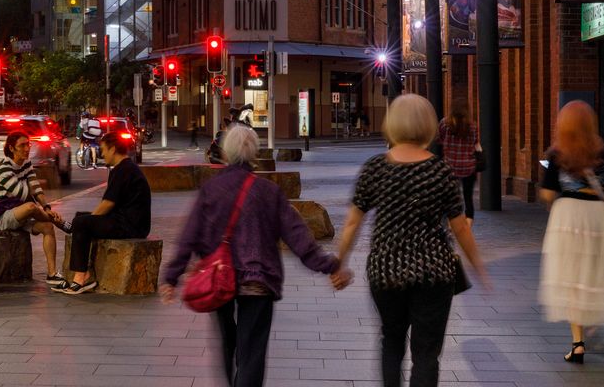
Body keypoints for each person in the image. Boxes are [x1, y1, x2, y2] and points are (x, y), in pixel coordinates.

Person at [161, 124, 348, 387]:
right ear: (254, 153)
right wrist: (329, 266)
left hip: (218, 277)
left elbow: (189, 236)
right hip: (258, 280)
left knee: (228, 340)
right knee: (252, 351)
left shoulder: (211, 190)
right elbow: (298, 237)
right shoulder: (268, 192)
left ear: (225, 153)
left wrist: (171, 277)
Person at [336, 93, 487, 387]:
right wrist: (478, 265)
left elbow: (353, 220)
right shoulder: (440, 171)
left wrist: (338, 263)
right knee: (427, 351)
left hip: (386, 269)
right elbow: (460, 227)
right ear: (429, 126)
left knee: (391, 340)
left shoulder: (375, 168)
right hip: (432, 272)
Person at [538, 100, 604, 365]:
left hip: (566, 218)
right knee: (593, 274)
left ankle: (578, 344)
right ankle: (592, 323)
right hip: (597, 218)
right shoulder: (602, 153)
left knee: (570, 277)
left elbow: (546, 194)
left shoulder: (556, 154)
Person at [57, 131, 151, 295]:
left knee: (82, 223)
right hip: (126, 220)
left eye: (104, 149)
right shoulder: (125, 168)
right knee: (81, 218)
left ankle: (80, 276)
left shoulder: (123, 171)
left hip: (130, 226)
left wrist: (88, 221)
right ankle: (76, 232)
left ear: (113, 149)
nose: (102, 153)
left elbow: (108, 204)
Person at [0, 130, 68, 286]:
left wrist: (47, 207)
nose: (27, 148)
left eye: (28, 144)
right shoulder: (4, 167)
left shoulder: (26, 164)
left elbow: (36, 188)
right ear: (11, 148)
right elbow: (23, 194)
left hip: (20, 213)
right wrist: (46, 210)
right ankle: (60, 222)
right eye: (22, 145)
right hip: (1, 216)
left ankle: (52, 273)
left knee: (47, 227)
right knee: (31, 206)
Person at [437, 99, 479, 224]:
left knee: (450, 197)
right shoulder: (473, 126)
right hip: (468, 167)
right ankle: (468, 224)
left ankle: (451, 224)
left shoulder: (444, 124)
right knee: (468, 197)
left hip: (450, 168)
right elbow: (475, 143)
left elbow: (439, 140)